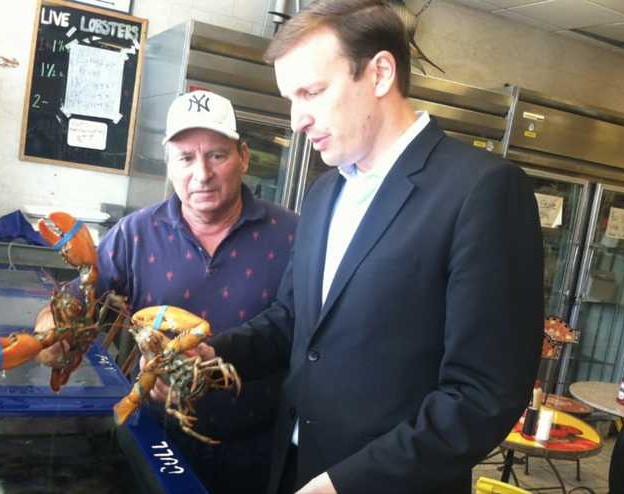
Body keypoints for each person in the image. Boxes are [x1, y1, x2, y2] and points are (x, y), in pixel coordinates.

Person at [161, 2, 544, 493]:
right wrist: (214, 353)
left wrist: (347, 482)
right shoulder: (324, 191)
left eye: (312, 92)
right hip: (290, 468)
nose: (297, 119)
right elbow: (292, 319)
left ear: (381, 73)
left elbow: (483, 395)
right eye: (290, 98)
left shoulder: (483, 190)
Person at [34, 90, 298, 494]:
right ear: (169, 163)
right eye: (186, 158)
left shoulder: (293, 233)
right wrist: (51, 330)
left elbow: (304, 330)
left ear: (243, 157)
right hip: (157, 440)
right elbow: (78, 297)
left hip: (260, 451)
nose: (202, 174)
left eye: (217, 155)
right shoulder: (135, 234)